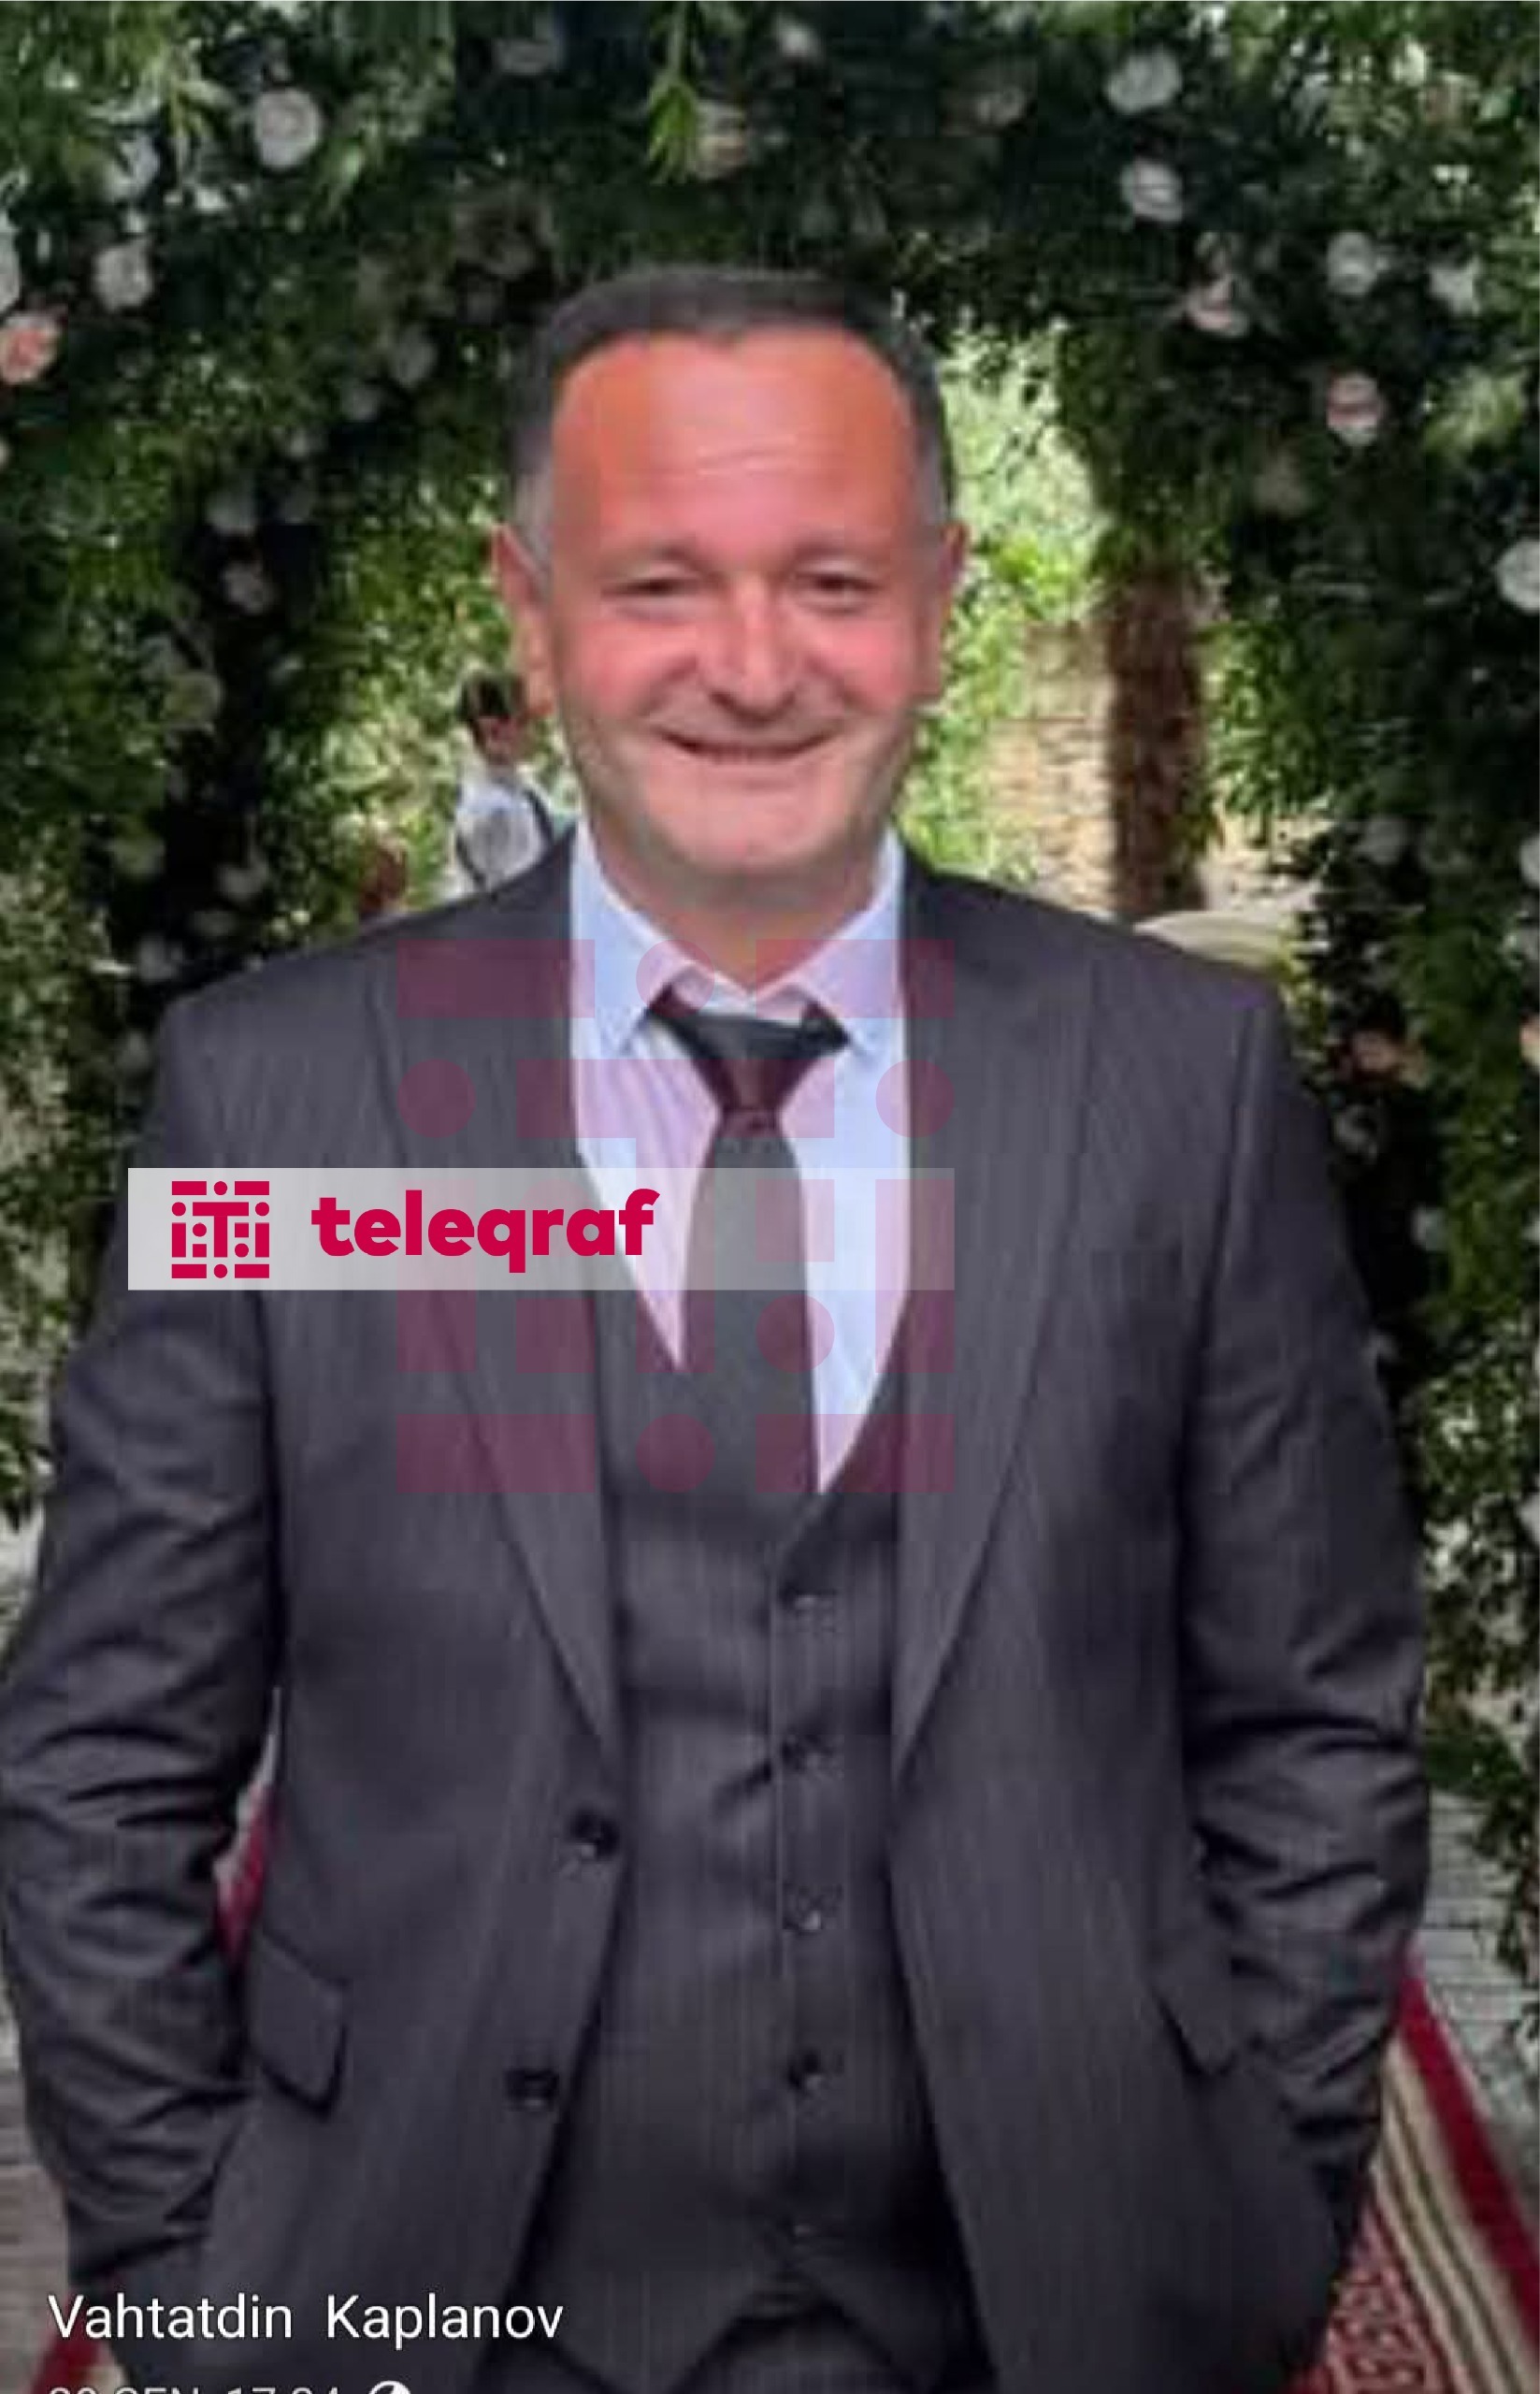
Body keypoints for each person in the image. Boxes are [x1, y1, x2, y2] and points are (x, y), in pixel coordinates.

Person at [0, 266, 1427, 2394]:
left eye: (830, 580)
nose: (753, 669)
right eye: (660, 581)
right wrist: (204, 2278)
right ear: (531, 610)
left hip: (1070, 2304)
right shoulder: (278, 1105)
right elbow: (105, 1751)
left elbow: (1313, 1715)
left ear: (937, 598)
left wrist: (1258, 2194)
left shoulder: (1176, 1086)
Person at [447, 666, 560, 895]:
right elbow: (525, 898)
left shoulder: (520, 789)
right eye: (523, 722)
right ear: (493, 731)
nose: (532, 733)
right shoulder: (491, 809)